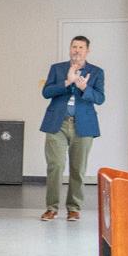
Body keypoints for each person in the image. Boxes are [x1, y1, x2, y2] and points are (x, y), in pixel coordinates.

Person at [40, 36, 104, 222]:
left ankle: (74, 208)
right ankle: (51, 208)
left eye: (81, 47)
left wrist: (84, 88)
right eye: (74, 46)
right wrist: (67, 82)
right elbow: (46, 92)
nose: (77, 50)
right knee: (55, 166)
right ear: (70, 49)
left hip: (83, 125)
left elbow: (100, 98)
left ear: (87, 51)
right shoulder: (57, 68)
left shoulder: (97, 72)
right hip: (57, 124)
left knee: (78, 168)